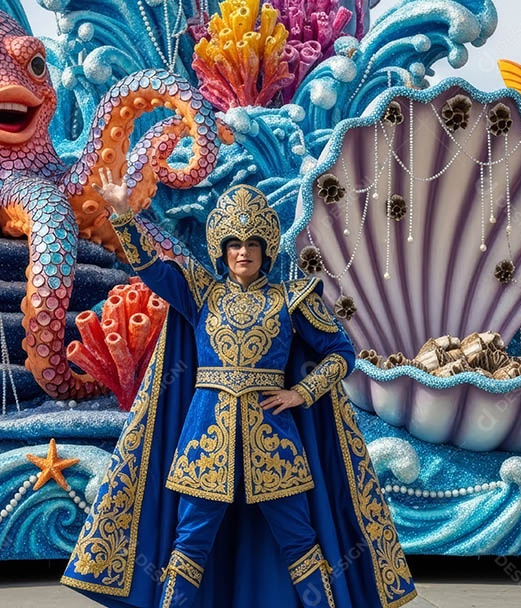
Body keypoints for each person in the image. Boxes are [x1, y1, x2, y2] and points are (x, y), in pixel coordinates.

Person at [63, 176, 416, 607]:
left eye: (251, 243)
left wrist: (300, 393)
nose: (243, 251)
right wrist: (122, 215)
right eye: (233, 243)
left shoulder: (291, 299)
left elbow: (341, 353)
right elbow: (153, 270)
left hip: (276, 445)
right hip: (203, 446)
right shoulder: (201, 292)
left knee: (300, 542)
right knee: (188, 544)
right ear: (222, 249)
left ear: (265, 247)